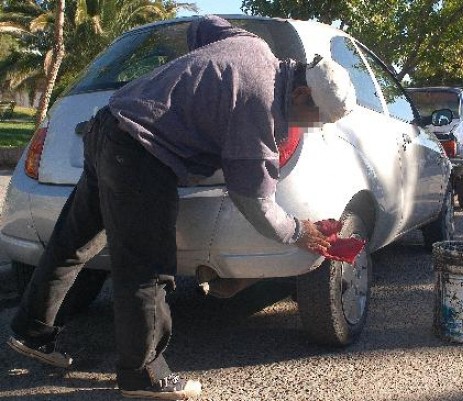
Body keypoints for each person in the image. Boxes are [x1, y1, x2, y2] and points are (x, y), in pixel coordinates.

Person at [7, 15, 355, 400]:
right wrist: (299, 232)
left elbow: (200, 26)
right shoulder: (258, 108)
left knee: (73, 243)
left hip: (106, 127)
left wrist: (194, 84)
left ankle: (30, 331)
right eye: (315, 119)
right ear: (302, 94)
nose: (311, 127)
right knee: (148, 269)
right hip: (142, 155)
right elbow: (254, 200)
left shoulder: (253, 46)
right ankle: (144, 377)